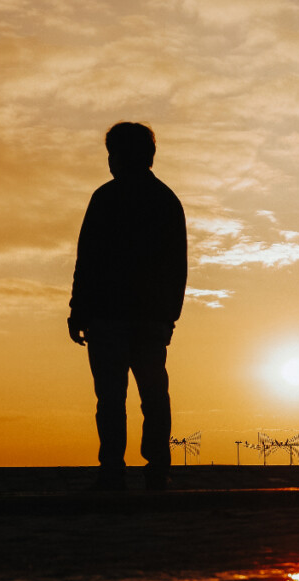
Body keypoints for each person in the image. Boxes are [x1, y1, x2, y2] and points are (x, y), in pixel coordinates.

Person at [68, 122, 188, 490]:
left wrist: (78, 309)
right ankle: (155, 468)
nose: (109, 162)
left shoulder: (106, 198)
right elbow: (177, 265)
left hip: (111, 316)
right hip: (146, 317)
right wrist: (169, 315)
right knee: (152, 395)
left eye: (112, 155)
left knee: (112, 398)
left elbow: (87, 260)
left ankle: (113, 469)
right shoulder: (165, 200)